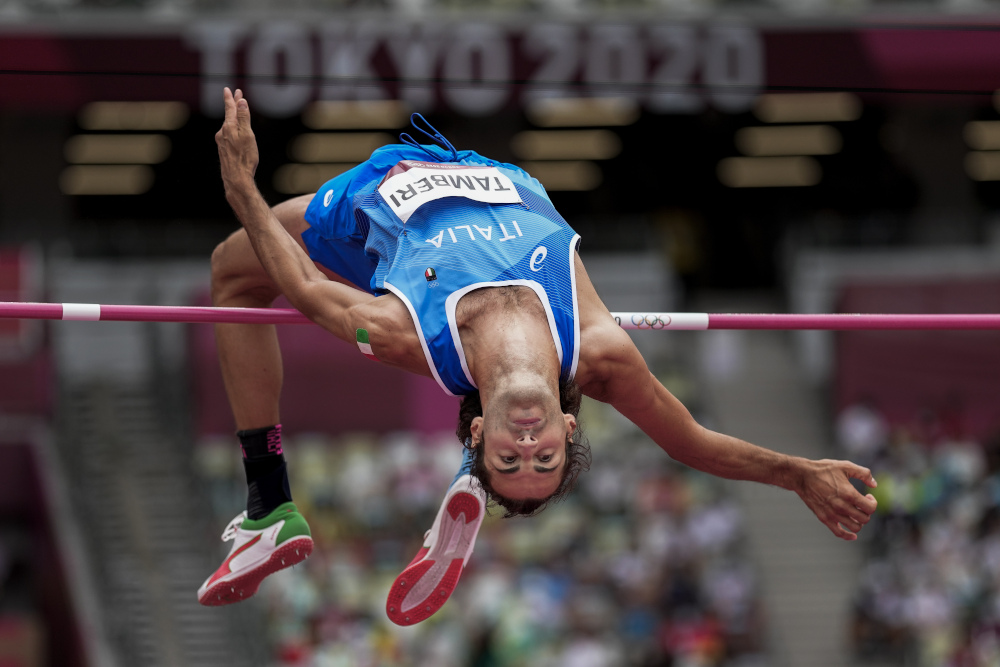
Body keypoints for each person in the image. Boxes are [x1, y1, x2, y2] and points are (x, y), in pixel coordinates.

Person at [198, 88, 879, 620]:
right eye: (543, 456)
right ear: (567, 426)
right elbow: (692, 441)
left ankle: (269, 502)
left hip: (381, 210)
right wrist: (797, 472)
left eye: (509, 456)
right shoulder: (600, 353)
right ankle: (463, 483)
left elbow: (304, 288)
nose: (527, 442)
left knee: (233, 269)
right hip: (495, 180)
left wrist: (242, 189)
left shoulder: (409, 337)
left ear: (478, 431)